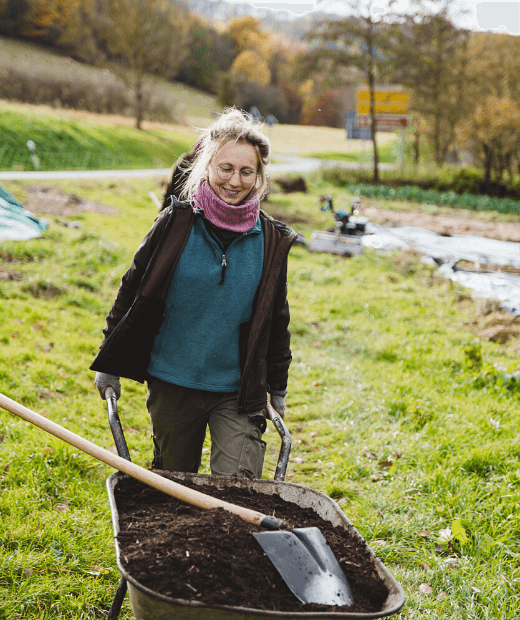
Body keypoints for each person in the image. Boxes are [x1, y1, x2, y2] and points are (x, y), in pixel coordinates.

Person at [91, 108, 297, 480]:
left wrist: (277, 387)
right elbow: (132, 290)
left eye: (246, 171)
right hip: (173, 382)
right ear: (207, 167)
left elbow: (276, 319)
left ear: (259, 177)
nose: (235, 181)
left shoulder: (270, 241)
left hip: (238, 389)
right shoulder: (174, 223)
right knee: (174, 479)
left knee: (238, 485)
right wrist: (109, 361)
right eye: (225, 168)